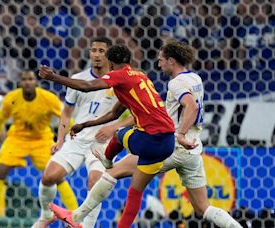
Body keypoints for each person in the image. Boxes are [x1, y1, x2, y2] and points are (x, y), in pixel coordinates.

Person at [50, 40, 242, 228]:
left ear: (171, 61)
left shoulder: (176, 83)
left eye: (161, 60)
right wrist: (86, 124)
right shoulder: (194, 78)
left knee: (112, 171)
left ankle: (77, 216)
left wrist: (181, 134)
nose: (159, 64)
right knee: (202, 208)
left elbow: (190, 106)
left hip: (172, 144)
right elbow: (121, 111)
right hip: (193, 149)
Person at [38, 44, 176, 228]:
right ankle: (79, 217)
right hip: (168, 141)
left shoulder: (119, 75)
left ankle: (107, 160)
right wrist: (85, 124)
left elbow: (87, 87)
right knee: (134, 192)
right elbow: (114, 114)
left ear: (110, 63)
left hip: (150, 139)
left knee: (119, 135)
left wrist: (54, 77)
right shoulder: (140, 76)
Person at [32, 37, 118, 228]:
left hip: (102, 144)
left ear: (109, 54)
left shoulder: (117, 81)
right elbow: (67, 112)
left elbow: (132, 115)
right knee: (48, 177)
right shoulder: (78, 79)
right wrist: (60, 140)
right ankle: (46, 215)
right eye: (93, 50)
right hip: (77, 139)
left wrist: (113, 128)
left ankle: (87, 227)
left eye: (101, 51)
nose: (96, 55)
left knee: (95, 183)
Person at [0, 70, 78, 227]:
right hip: (17, 138)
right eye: (24, 79)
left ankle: (75, 215)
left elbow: (66, 116)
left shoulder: (47, 98)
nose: (27, 82)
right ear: (20, 83)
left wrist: (75, 133)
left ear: (36, 82)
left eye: (30, 79)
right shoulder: (12, 98)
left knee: (56, 176)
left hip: (42, 140)